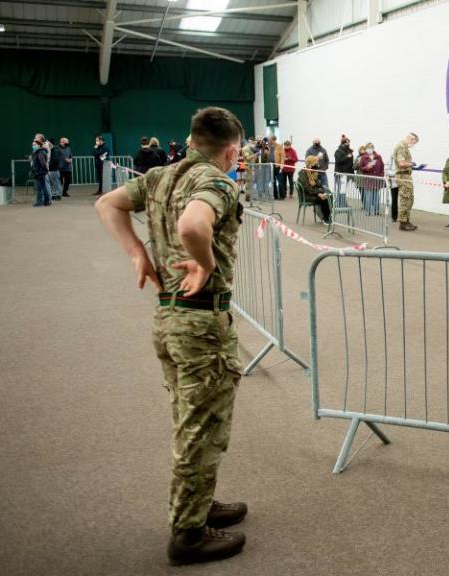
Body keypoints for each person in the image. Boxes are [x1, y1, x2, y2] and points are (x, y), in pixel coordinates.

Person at [95, 107, 248, 565]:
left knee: (195, 420)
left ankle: (199, 505)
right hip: (201, 325)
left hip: (169, 319)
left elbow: (107, 204)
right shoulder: (216, 182)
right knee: (200, 429)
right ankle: (188, 534)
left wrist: (137, 252)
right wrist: (203, 261)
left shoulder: (160, 176)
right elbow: (192, 226)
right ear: (231, 151)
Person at [393, 133, 420, 231]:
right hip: (402, 175)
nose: (413, 144)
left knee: (410, 199)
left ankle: (406, 221)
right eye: (413, 142)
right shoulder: (401, 147)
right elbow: (401, 163)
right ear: (410, 138)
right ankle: (403, 223)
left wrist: (412, 166)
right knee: (405, 198)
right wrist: (412, 164)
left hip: (406, 175)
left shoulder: (404, 147)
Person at [299, 155, 331, 223]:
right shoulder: (303, 174)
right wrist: (319, 194)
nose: (317, 164)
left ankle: (327, 216)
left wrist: (322, 192)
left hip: (313, 193)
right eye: (316, 163)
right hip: (307, 196)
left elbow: (318, 185)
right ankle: (326, 218)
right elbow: (308, 189)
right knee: (324, 200)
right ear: (311, 164)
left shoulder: (312, 173)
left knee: (329, 196)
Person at [358, 142, 385, 215]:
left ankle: (376, 211)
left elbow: (382, 166)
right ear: (366, 149)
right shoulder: (364, 157)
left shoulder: (378, 157)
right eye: (368, 148)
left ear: (373, 148)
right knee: (368, 196)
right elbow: (360, 168)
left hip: (376, 179)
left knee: (376, 196)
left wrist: (381, 176)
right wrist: (366, 167)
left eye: (371, 148)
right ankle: (368, 211)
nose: (370, 149)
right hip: (368, 179)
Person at [30, 135, 50, 207]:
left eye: (34, 144)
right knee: (43, 187)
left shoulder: (40, 152)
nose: (33, 146)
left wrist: (39, 172)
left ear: (39, 145)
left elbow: (43, 164)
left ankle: (39, 202)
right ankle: (46, 202)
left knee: (40, 189)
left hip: (39, 173)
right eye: (32, 145)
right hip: (40, 172)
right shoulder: (39, 152)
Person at [333, 135, 354, 203]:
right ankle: (339, 203)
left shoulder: (349, 151)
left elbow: (351, 163)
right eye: (346, 143)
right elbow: (339, 161)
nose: (348, 144)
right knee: (340, 189)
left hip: (347, 173)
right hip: (340, 174)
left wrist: (352, 173)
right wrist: (347, 157)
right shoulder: (338, 151)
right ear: (343, 143)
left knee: (344, 190)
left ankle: (342, 203)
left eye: (349, 143)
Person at [48, 136, 64, 201]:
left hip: (54, 169)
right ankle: (54, 195)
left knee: (56, 183)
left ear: (50, 143)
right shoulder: (53, 150)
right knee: (53, 183)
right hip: (52, 169)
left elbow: (55, 160)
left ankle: (58, 195)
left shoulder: (55, 150)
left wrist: (49, 164)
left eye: (48, 143)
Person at [268, 135, 282, 200]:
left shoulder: (279, 146)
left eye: (270, 139)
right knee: (272, 180)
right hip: (269, 165)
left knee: (279, 180)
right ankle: (274, 195)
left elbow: (282, 156)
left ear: (273, 140)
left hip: (277, 166)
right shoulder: (268, 146)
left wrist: (282, 165)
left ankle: (280, 195)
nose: (269, 140)